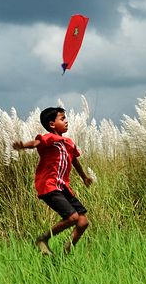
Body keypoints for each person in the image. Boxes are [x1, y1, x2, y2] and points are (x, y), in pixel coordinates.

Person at [12, 107, 93, 255]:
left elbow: (74, 161)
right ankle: (42, 239)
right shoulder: (49, 138)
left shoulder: (68, 143)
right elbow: (36, 143)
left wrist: (84, 177)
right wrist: (23, 145)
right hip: (49, 186)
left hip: (63, 188)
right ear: (52, 124)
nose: (66, 121)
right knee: (72, 217)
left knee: (83, 222)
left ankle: (66, 251)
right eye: (62, 119)